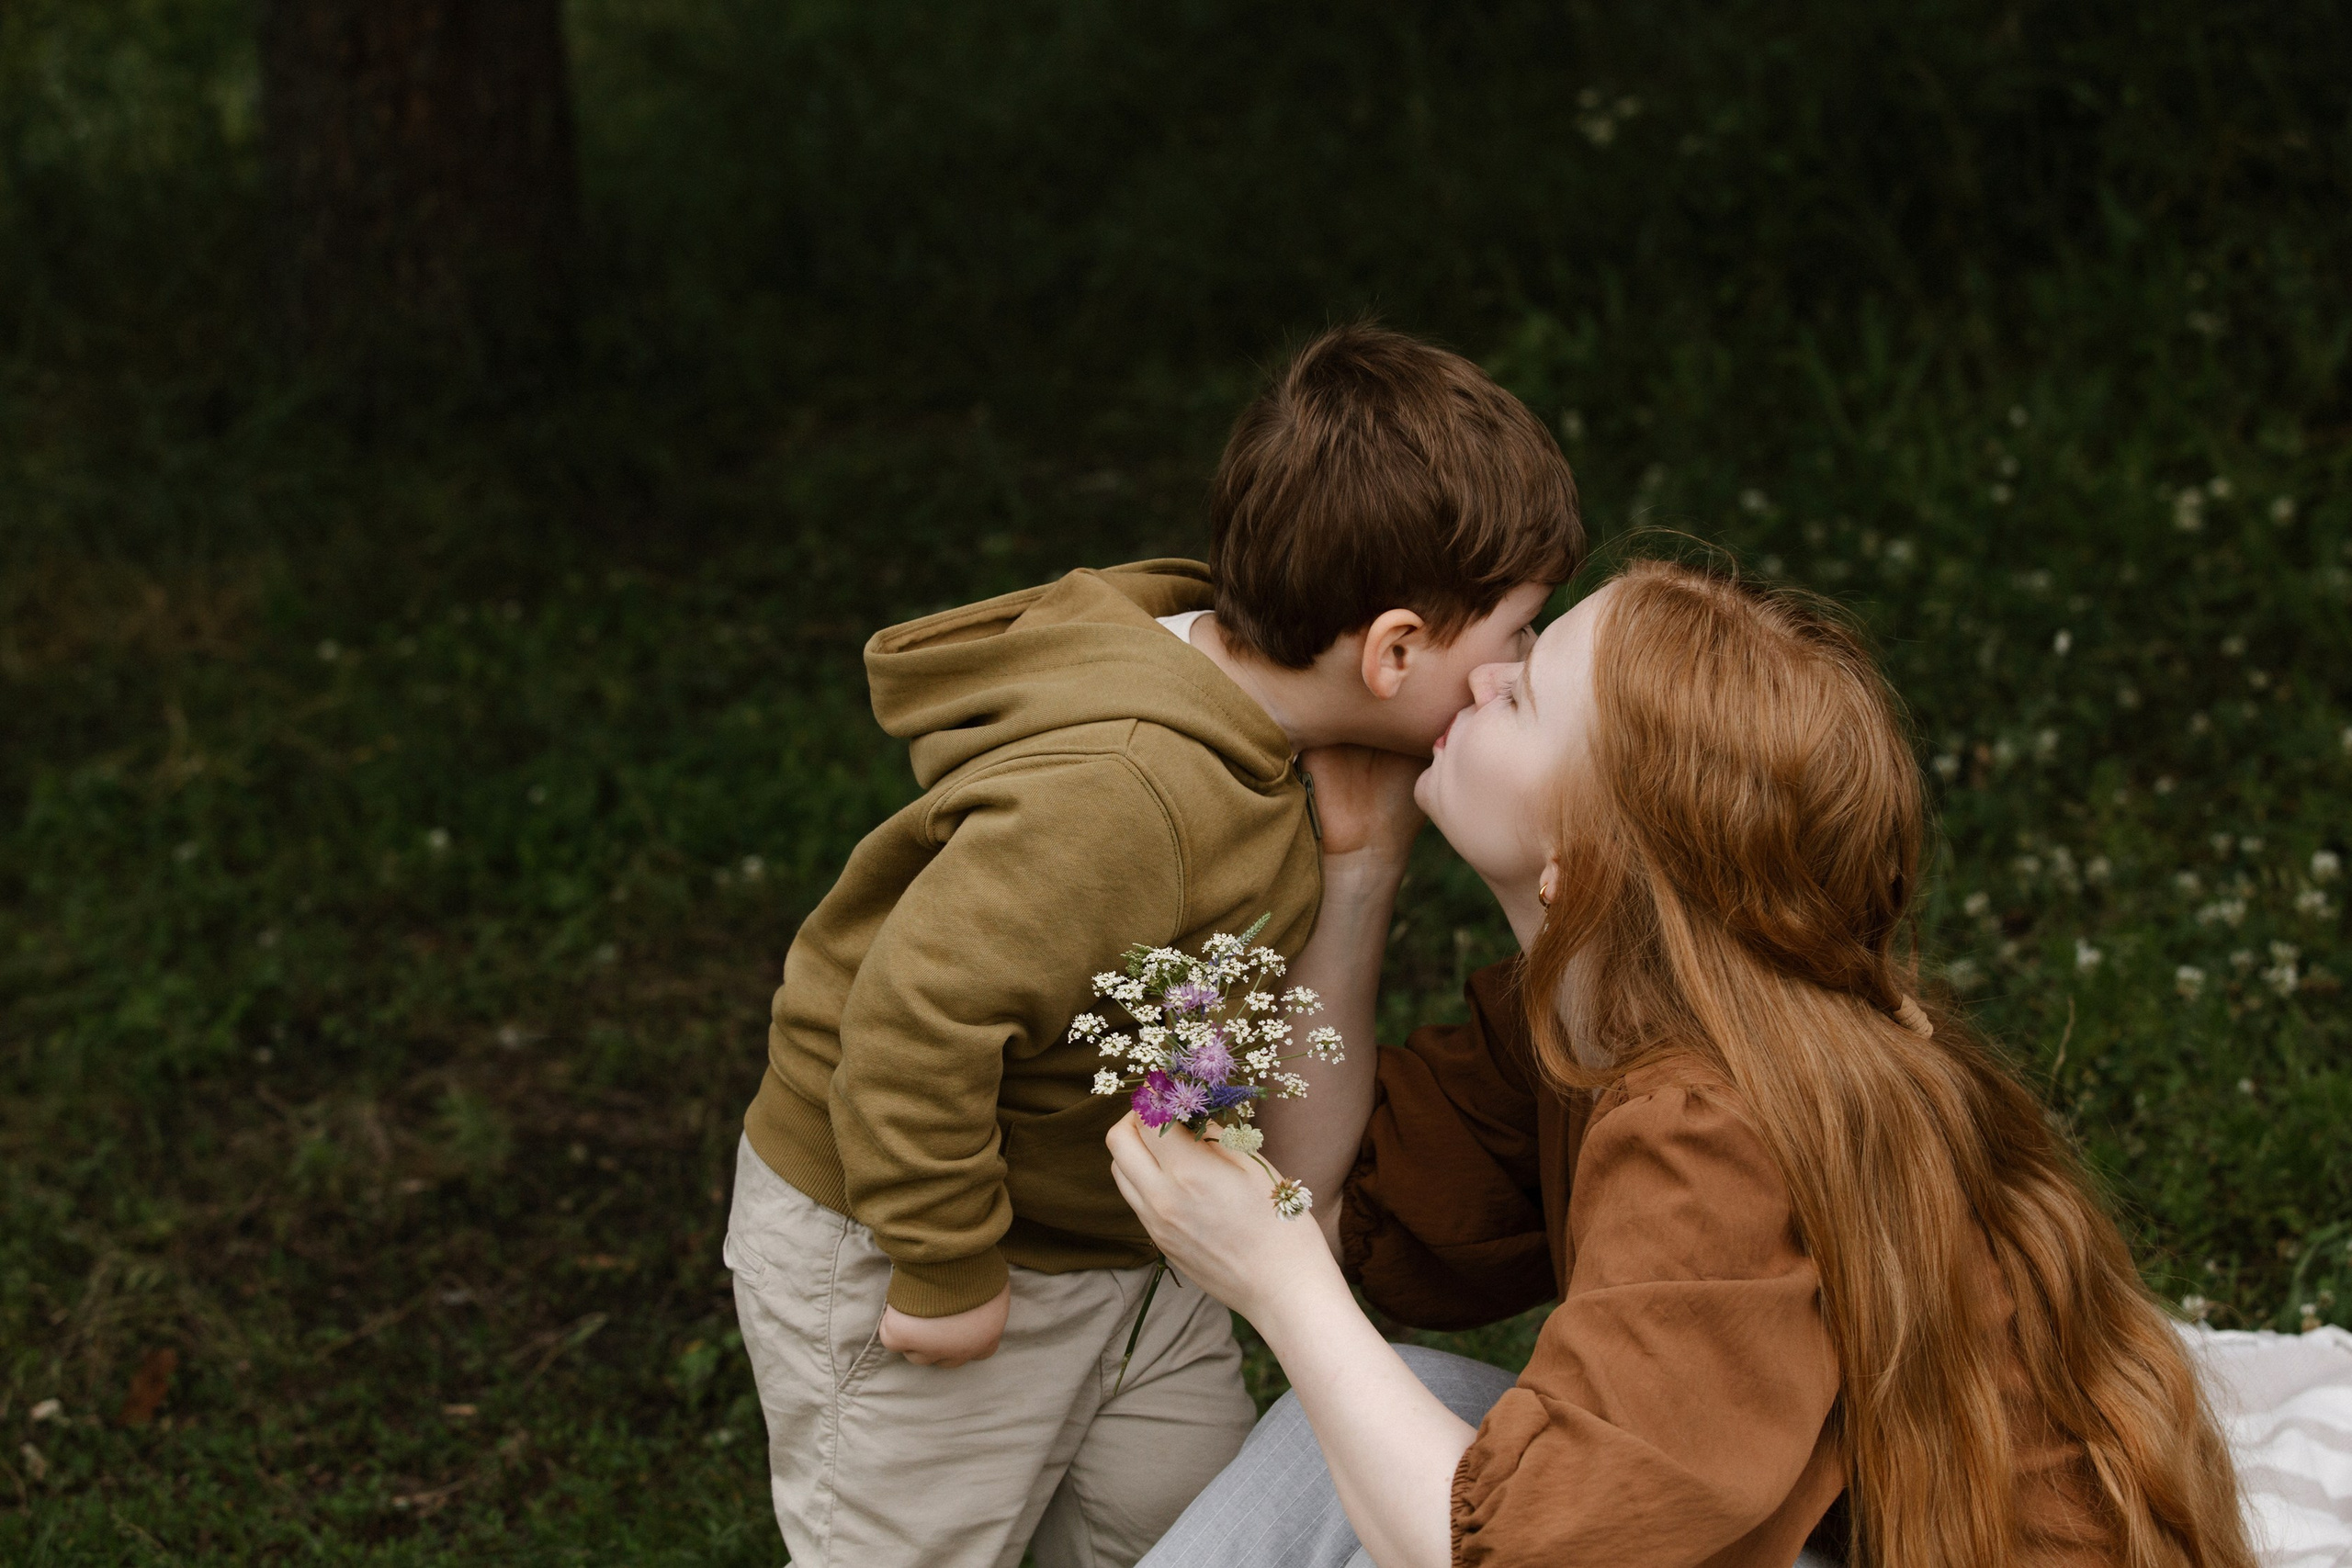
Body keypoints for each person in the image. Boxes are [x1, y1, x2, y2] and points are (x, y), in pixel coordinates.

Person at [1113, 559, 2256, 1568]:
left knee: (1378, 1455)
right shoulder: (1605, 1024)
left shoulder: (1714, 1131)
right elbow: (1327, 1192)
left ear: (1586, 857)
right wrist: (1355, 875)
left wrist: (1280, 1290)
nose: (1480, 681)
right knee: (1375, 1422)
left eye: (1529, 694)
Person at [724, 324, 1584, 1568]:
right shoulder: (1121, 792)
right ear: (1393, 652)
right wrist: (947, 1271)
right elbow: (913, 1022)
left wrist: (1354, 865)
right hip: (921, 1235)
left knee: (1199, 1524)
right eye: (1516, 634)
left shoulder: (1276, 728)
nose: (1520, 669)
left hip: (1129, 1253)